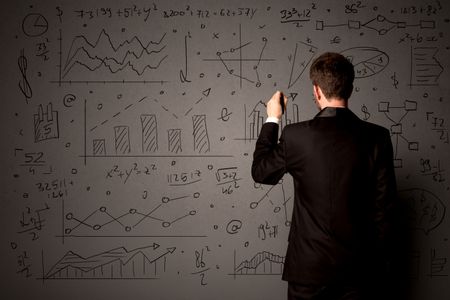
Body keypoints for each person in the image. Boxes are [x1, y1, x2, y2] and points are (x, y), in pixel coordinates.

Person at [251, 52, 397, 300]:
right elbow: (385, 209)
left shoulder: (296, 136)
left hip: (308, 272)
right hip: (359, 272)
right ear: (350, 88)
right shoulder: (377, 137)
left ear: (316, 91)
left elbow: (261, 172)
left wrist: (273, 117)